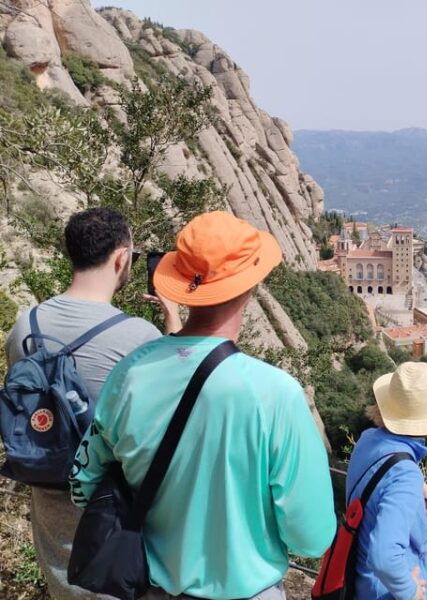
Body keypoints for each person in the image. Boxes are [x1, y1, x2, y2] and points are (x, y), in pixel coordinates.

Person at [69, 210, 336, 600]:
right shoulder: (275, 393)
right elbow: (311, 537)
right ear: (251, 284)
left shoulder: (130, 374)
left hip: (150, 588)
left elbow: (81, 486)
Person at [4, 207, 180, 600]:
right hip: (111, 524)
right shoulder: (138, 337)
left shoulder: (24, 327)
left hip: (49, 512)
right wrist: (173, 320)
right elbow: (180, 402)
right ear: (121, 257)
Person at [346, 361, 427, 600]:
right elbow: (384, 557)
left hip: (358, 582)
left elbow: (383, 472)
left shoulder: (368, 441)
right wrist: (412, 593)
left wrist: (420, 485)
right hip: (386, 593)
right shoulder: (405, 475)